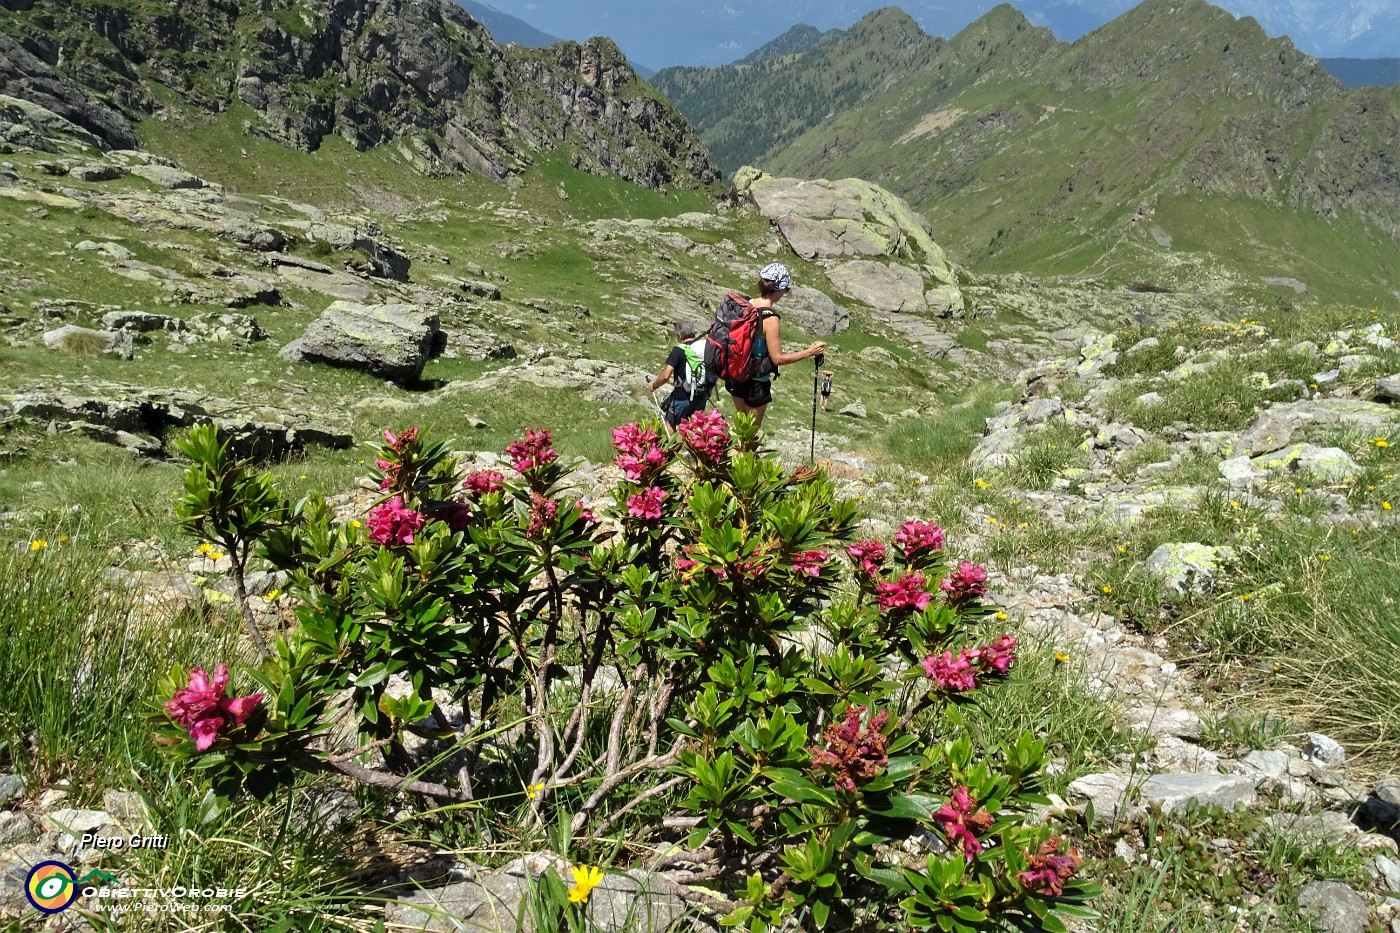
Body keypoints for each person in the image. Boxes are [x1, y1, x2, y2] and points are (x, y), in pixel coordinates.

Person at [726, 262, 825, 427]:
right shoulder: (770, 319)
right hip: (756, 382)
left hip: (735, 374)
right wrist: (810, 352)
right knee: (749, 438)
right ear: (779, 289)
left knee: (740, 430)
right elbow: (778, 359)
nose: (785, 293)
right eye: (786, 290)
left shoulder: (746, 304)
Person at [646, 321, 708, 435]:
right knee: (696, 426)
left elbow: (666, 375)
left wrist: (653, 385)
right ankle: (695, 451)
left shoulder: (678, 350)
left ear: (680, 336)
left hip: (682, 396)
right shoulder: (702, 348)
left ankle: (671, 450)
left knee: (670, 422)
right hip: (701, 395)